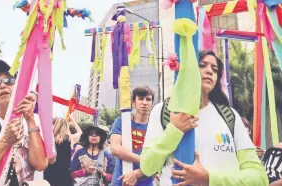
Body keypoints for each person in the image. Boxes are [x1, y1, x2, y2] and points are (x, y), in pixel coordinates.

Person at [140, 50, 268, 185]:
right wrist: (174, 131)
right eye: (202, 65)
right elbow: (147, 167)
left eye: (214, 69)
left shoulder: (230, 116)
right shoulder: (163, 111)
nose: (209, 71)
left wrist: (209, 179)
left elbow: (259, 178)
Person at [110, 86, 155, 186]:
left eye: (148, 99)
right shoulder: (121, 121)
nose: (144, 103)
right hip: (120, 181)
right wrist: (143, 160)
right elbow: (115, 148)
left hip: (145, 182)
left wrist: (136, 174)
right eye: (140, 98)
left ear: (152, 104)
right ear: (134, 102)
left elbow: (158, 161)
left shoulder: (156, 127)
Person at [44, 117, 73, 186]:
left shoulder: (52, 141)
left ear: (57, 125)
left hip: (52, 173)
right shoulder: (68, 140)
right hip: (65, 175)